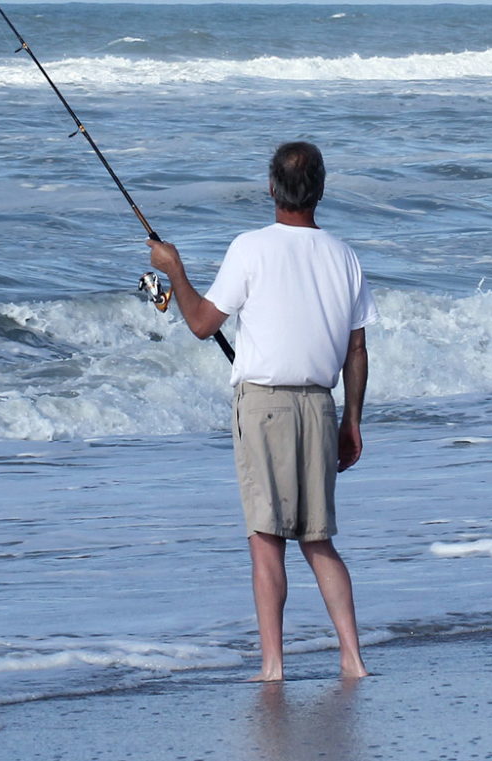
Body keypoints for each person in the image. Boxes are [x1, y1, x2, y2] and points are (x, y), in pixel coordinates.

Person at [147, 141, 376, 681]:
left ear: (271, 187)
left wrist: (173, 268)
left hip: (265, 407)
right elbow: (357, 349)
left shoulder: (250, 248)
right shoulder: (344, 256)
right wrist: (352, 420)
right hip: (321, 406)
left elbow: (203, 322)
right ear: (320, 189)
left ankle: (273, 667)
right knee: (318, 540)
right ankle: (353, 658)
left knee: (266, 540)